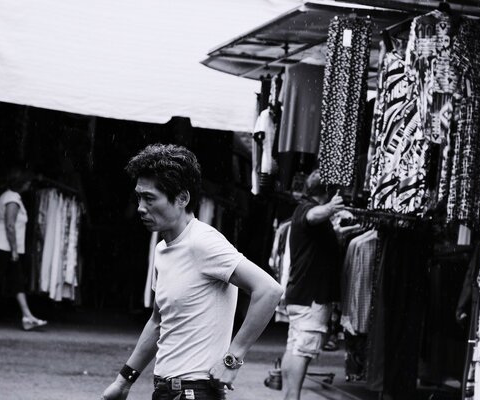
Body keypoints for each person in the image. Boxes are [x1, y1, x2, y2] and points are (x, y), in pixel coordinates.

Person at [101, 144, 283, 400]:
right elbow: (158, 321)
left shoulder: (203, 241)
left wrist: (233, 359)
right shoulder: (163, 249)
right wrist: (124, 381)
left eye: (150, 198)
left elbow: (269, 290)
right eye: (139, 198)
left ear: (182, 199)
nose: (141, 207)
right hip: (166, 389)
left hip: (195, 391)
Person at [281, 169, 344, 400]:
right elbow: (313, 216)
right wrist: (331, 207)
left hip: (302, 295)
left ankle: (290, 395)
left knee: (294, 347)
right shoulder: (307, 210)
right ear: (325, 192)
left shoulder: (301, 210)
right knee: (302, 350)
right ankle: (293, 397)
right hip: (311, 298)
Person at [0, 167, 47, 331]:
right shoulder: (12, 199)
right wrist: (13, 250)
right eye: (27, 182)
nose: (29, 185)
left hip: (2, 246)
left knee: (16, 281)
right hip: (3, 247)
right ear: (21, 183)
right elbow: (10, 226)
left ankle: (27, 316)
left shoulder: (8, 196)